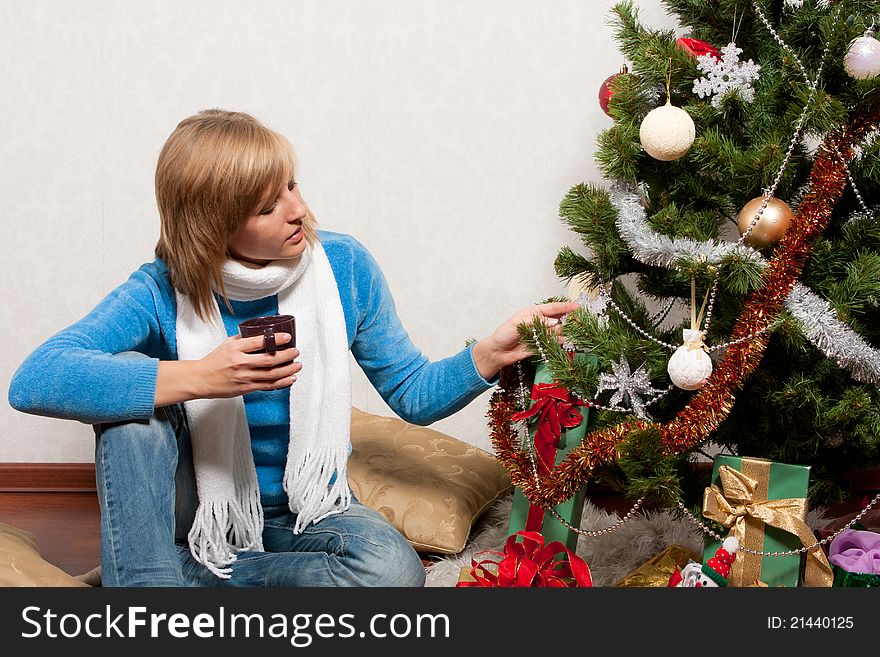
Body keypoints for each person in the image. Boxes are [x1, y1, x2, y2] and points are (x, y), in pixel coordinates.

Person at [7, 109, 577, 587]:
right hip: (198, 508)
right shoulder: (161, 288)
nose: (296, 209)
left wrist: (489, 354)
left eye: (290, 184)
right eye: (265, 207)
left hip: (308, 507)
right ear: (211, 227)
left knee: (393, 573)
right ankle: (159, 576)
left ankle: (169, 575)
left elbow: (410, 392)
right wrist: (202, 377)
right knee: (130, 407)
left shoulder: (343, 268)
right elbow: (34, 379)